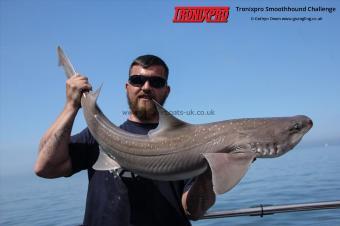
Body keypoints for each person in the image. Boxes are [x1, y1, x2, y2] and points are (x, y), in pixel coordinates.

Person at [34, 54, 215, 226]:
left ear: (166, 90)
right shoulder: (97, 135)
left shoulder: (187, 141)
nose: (146, 87)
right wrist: (71, 106)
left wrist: (207, 173)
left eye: (156, 82)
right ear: (127, 87)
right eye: (137, 80)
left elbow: (194, 212)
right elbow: (45, 167)